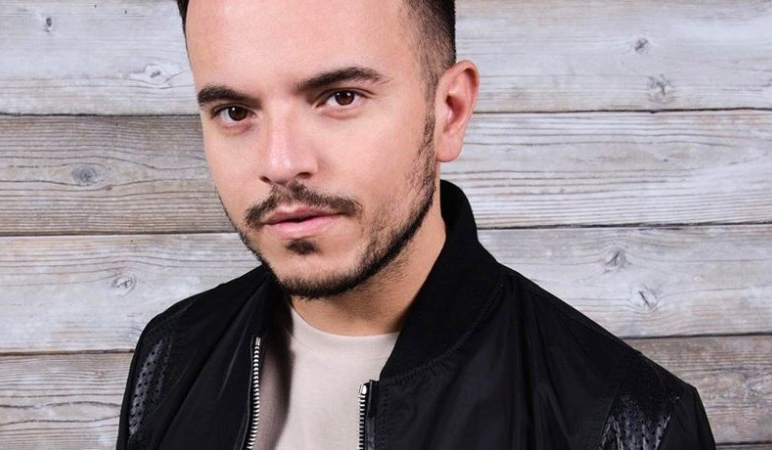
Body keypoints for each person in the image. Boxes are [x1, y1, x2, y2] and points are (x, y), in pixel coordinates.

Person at [117, 0, 716, 448]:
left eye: (341, 97)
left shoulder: (627, 420)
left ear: (449, 112)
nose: (280, 163)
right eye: (234, 111)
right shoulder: (171, 353)